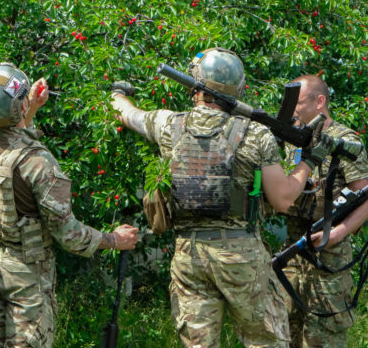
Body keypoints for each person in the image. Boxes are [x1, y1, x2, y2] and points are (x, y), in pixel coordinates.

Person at [110, 47, 332, 348]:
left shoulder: (168, 124)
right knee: (265, 341)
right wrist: (308, 162)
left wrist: (118, 94)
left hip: (189, 255)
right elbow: (283, 199)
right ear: (237, 88)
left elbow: (127, 114)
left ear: (195, 87)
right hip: (241, 254)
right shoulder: (255, 133)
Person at [0, 62, 139, 348]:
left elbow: (6, 129)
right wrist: (114, 240)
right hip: (27, 275)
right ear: (16, 107)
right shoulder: (38, 163)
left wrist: (30, 106)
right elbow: (70, 235)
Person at [282, 75, 368, 348]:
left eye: (299, 101)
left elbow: (366, 195)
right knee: (285, 333)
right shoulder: (293, 141)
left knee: (322, 339)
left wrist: (339, 232)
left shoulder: (343, 142)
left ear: (320, 102)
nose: (293, 109)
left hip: (329, 258)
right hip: (293, 252)